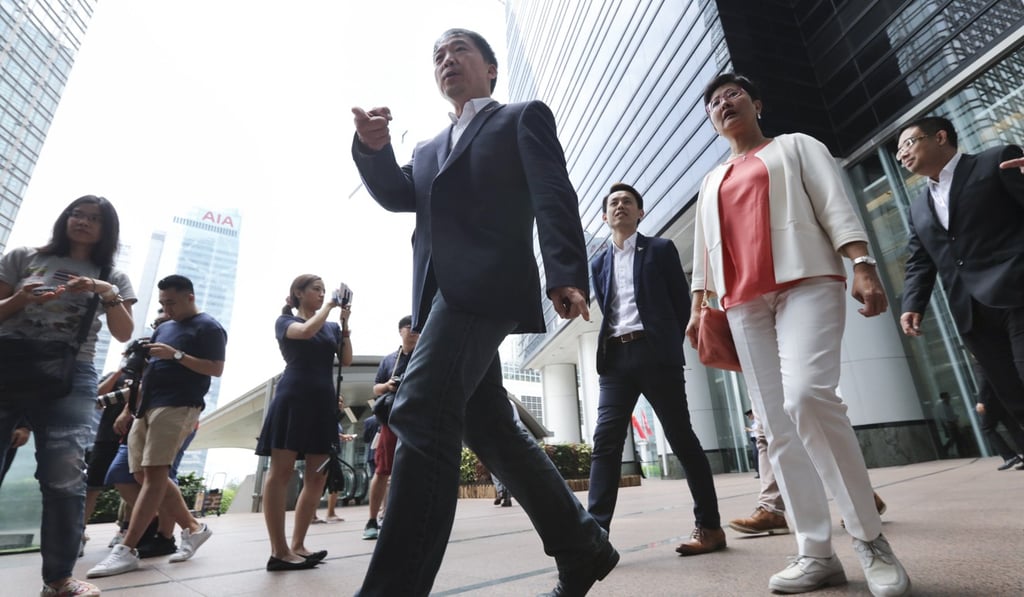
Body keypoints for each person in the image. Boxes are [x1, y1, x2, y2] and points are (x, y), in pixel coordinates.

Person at [351, 28, 617, 597]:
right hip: (438, 298)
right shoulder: (426, 149)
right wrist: (374, 151)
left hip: (490, 283)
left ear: (491, 69)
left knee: (419, 413)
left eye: (459, 51)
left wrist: (565, 272)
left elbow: (553, 192)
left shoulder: (521, 117)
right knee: (490, 428)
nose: (446, 60)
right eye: (437, 56)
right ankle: (583, 545)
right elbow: (403, 196)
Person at [686, 73, 910, 596]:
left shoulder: (796, 147)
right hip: (742, 303)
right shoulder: (709, 180)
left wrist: (862, 261)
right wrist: (699, 305)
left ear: (757, 103)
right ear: (711, 121)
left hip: (805, 280)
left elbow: (835, 202)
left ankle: (871, 540)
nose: (724, 104)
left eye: (734, 94)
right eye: (715, 102)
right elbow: (702, 253)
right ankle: (815, 551)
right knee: (775, 427)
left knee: (809, 397)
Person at [0, 195, 136, 597]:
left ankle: (58, 578)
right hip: (7, 366)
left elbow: (124, 333)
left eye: (94, 218)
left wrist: (105, 291)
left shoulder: (112, 275)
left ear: (106, 230)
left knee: (65, 476)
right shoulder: (23, 257)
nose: (83, 222)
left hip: (71, 374)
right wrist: (22, 298)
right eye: (78, 214)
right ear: (65, 218)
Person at [588, 181, 725, 556]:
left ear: (640, 212)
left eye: (627, 202)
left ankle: (710, 527)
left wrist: (665, 342)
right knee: (605, 444)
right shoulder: (598, 261)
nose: (620, 206)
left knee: (682, 439)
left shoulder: (660, 249)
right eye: (613, 202)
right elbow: (607, 305)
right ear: (604, 215)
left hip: (655, 355)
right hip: (615, 359)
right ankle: (593, 536)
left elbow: (681, 304)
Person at [87, 274, 225, 578]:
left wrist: (175, 354)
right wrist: (130, 407)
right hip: (145, 406)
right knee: (137, 472)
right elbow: (146, 372)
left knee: (154, 475)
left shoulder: (209, 327)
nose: (167, 308)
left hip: (179, 404)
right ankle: (194, 527)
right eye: (163, 303)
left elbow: (215, 368)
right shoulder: (164, 327)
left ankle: (127, 549)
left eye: (172, 302)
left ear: (190, 297)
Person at [897, 117, 1024, 429]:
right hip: (970, 313)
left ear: (940, 137)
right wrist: (913, 303)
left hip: (1016, 291)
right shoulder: (917, 207)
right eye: (898, 153)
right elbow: (920, 260)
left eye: (908, 144)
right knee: (1013, 395)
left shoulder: (996, 160)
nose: (903, 155)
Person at [254, 274, 352, 571]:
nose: (322, 294)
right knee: (280, 472)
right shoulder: (285, 322)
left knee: (318, 477)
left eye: (325, 290)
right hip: (293, 400)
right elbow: (307, 331)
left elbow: (345, 360)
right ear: (298, 293)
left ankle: (298, 545)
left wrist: (345, 324)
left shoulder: (332, 326)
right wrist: (331, 306)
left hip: (322, 405)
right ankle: (279, 550)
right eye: (317, 289)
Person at [363, 315, 418, 540]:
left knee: (413, 472)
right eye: (409, 327)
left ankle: (405, 518)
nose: (414, 331)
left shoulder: (426, 355)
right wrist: (388, 386)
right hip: (391, 421)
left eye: (418, 327)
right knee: (383, 471)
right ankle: (372, 520)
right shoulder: (389, 360)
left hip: (417, 421)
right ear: (400, 331)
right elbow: (376, 388)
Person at [973, 368, 1024, 470]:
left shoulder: (981, 361)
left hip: (992, 401)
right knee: (1013, 429)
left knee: (986, 428)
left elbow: (985, 381)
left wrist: (981, 401)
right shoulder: (993, 358)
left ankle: (1009, 456)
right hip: (1002, 399)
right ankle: (1010, 456)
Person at [933, 392, 964, 457]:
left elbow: (952, 414)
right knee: (953, 438)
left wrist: (956, 418)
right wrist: (947, 423)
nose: (949, 398)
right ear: (943, 398)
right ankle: (945, 449)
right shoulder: (941, 406)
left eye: (948, 396)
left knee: (957, 437)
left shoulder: (949, 405)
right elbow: (942, 416)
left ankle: (959, 452)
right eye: (947, 396)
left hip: (953, 423)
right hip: (948, 424)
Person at [744, 409, 760, 478]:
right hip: (754, 440)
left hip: (757, 439)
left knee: (757, 455)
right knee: (755, 456)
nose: (749, 417)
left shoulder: (757, 421)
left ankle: (760, 472)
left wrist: (749, 430)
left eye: (749, 415)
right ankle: (759, 472)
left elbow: (758, 430)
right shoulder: (754, 422)